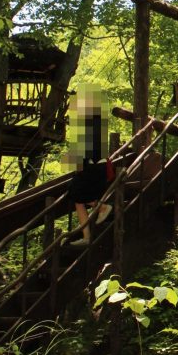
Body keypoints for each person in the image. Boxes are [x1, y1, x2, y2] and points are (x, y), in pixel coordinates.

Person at [66, 85, 112, 246]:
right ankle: (87, 237)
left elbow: (86, 150)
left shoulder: (90, 124)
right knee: (76, 198)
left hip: (93, 168)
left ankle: (102, 208)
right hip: (95, 168)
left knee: (76, 194)